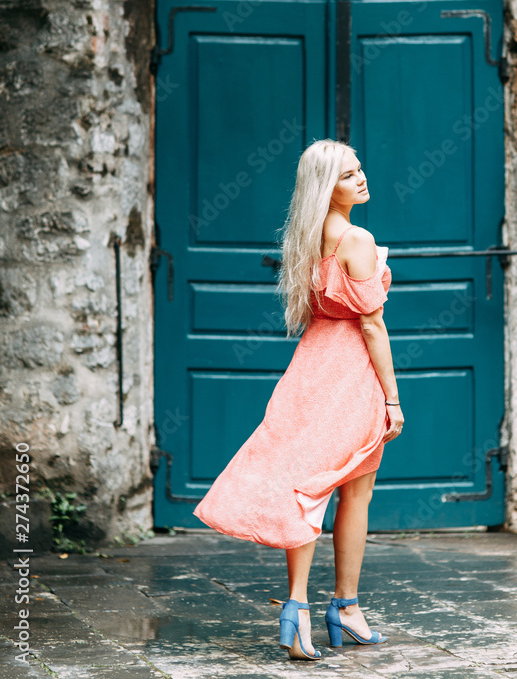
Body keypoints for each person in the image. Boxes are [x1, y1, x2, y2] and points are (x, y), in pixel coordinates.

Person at [193, 138, 404, 660]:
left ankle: (298, 606)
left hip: (309, 370)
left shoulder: (307, 237)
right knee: (353, 492)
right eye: (348, 175)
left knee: (307, 486)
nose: (361, 179)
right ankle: (344, 606)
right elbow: (373, 327)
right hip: (351, 373)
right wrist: (393, 399)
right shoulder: (356, 238)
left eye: (360, 170)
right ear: (326, 187)